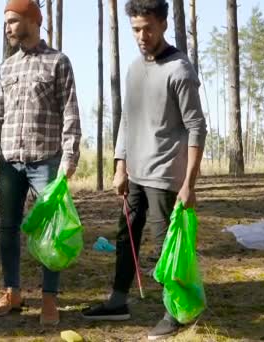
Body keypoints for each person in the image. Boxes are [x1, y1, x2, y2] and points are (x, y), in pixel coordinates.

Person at [80, 0, 207, 340]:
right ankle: (118, 301)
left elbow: (197, 127)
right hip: (134, 173)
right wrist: (120, 165)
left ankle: (175, 312)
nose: (141, 35)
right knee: (126, 239)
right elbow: (127, 118)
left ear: (163, 24)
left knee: (169, 246)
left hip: (166, 175)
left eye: (148, 28)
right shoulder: (135, 68)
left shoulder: (180, 69)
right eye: (136, 29)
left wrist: (190, 183)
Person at [0, 0, 82, 326]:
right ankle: (12, 292)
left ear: (31, 20)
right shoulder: (6, 67)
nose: (8, 27)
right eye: (6, 22)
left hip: (46, 162)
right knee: (8, 228)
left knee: (50, 232)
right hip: (9, 162)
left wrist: (70, 157)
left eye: (12, 21)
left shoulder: (58, 62)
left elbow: (70, 113)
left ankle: (49, 300)